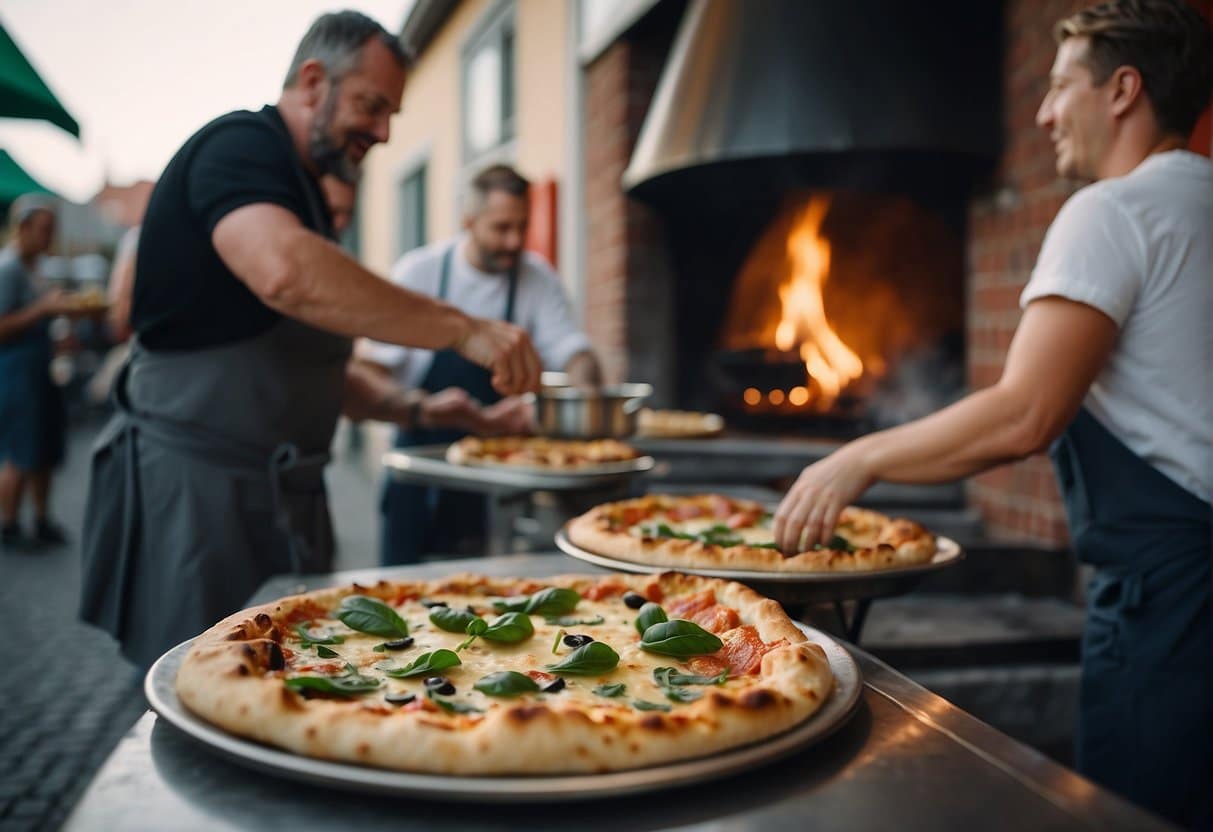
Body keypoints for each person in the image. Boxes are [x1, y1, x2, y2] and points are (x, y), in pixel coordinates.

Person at [773, 1, 1212, 826]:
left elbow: (1023, 415)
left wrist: (854, 459)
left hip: (1173, 607)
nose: (1044, 113)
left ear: (1122, 90)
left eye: (1058, 88)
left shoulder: (1112, 211)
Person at [79, 11, 542, 670]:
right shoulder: (239, 145)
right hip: (200, 497)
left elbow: (298, 362)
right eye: (371, 106)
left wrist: (417, 409)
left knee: (281, 684)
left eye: (391, 115)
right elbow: (285, 273)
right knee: (196, 690)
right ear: (312, 80)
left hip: (281, 499)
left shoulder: (306, 199)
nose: (382, 133)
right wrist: (464, 328)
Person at [363, 164, 601, 565]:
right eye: (501, 228)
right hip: (420, 463)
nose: (514, 241)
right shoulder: (418, 273)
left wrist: (586, 399)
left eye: (521, 227)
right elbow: (371, 369)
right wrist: (420, 405)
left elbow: (573, 352)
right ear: (468, 221)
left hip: (495, 474)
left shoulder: (536, 277)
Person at [0, 196, 78, 549]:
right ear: (23, 227)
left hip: (39, 368)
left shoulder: (35, 267)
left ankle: (42, 518)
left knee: (45, 446)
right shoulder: (9, 268)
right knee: (21, 449)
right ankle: (9, 522)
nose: (49, 238)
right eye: (44, 230)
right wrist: (43, 309)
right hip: (16, 370)